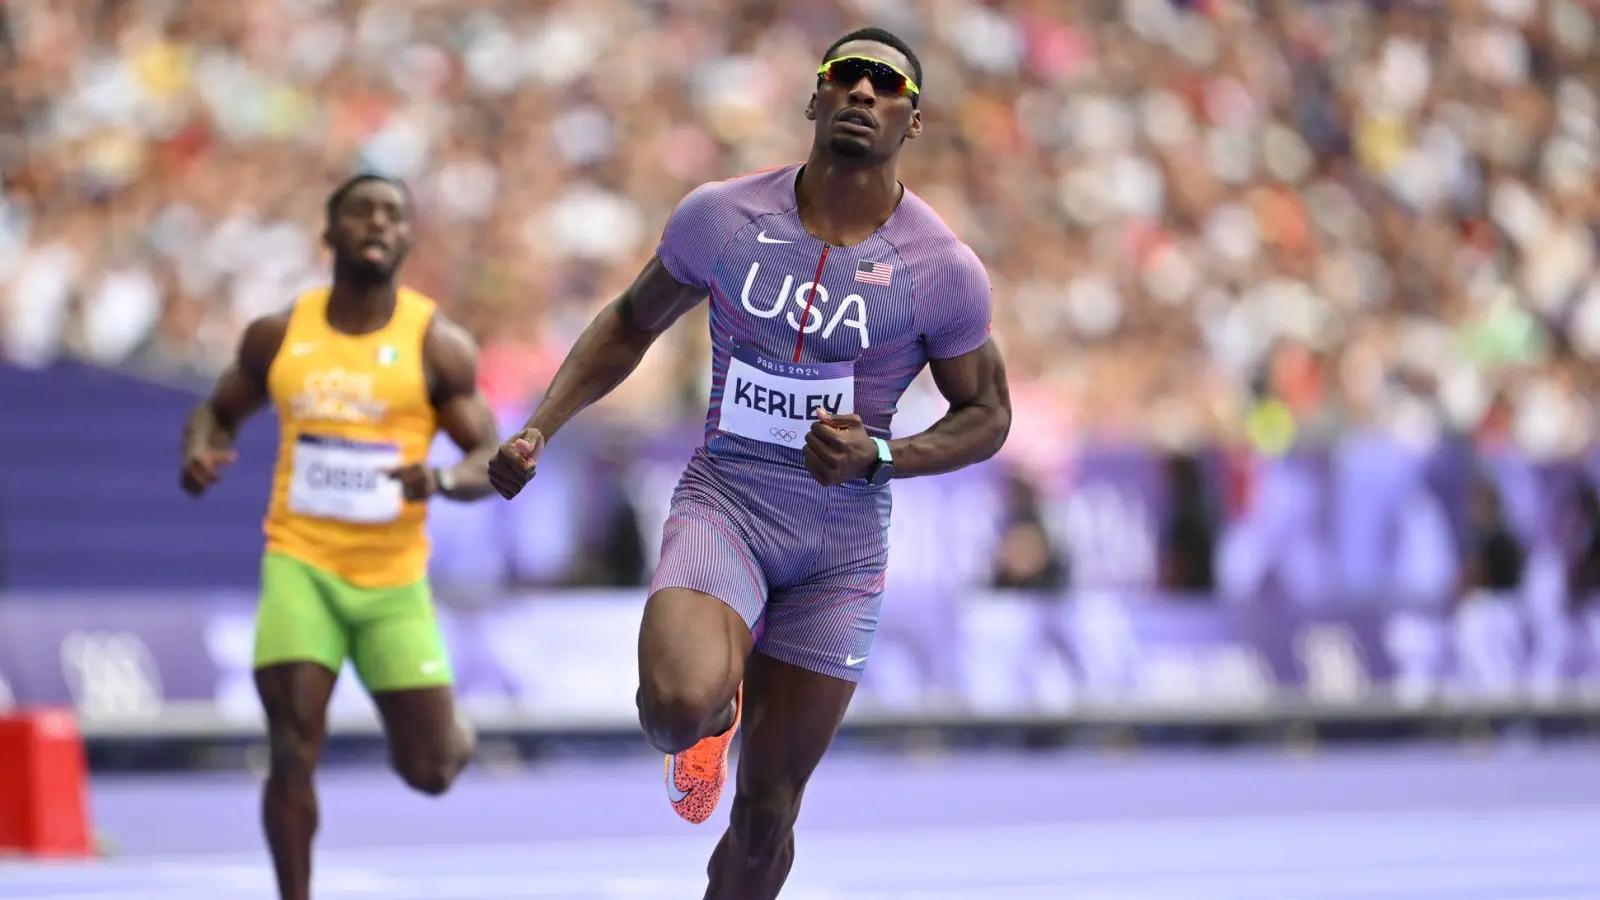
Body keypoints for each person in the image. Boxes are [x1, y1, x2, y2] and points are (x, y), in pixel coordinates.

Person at [489, 27, 1011, 899]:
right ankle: (714, 716)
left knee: (767, 815)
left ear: (912, 120)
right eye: (844, 77)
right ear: (813, 100)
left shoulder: (943, 270)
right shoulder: (722, 217)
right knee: (673, 709)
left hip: (838, 548)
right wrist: (543, 424)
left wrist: (882, 454)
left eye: (886, 86)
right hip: (725, 506)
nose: (862, 93)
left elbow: (988, 415)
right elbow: (629, 320)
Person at [179, 175, 498, 900]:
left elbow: (491, 459)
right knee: (292, 751)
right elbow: (215, 412)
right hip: (302, 564)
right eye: (362, 211)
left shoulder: (435, 345)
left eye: (393, 213)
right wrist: (199, 450)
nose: (378, 223)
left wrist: (442, 482)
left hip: (393, 582)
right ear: (330, 236)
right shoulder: (281, 333)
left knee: (432, 771)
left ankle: (455, 734)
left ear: (408, 238)